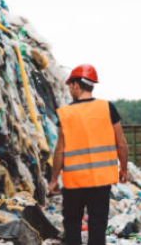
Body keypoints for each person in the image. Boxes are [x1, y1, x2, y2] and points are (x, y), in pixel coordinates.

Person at [48, 64, 129, 245]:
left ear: (76, 85)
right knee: (97, 226)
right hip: (100, 180)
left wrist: (54, 179)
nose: (70, 90)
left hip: (74, 181)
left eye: (70, 86)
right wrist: (123, 169)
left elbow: (59, 150)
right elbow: (121, 144)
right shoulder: (107, 108)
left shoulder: (65, 113)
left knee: (72, 225)